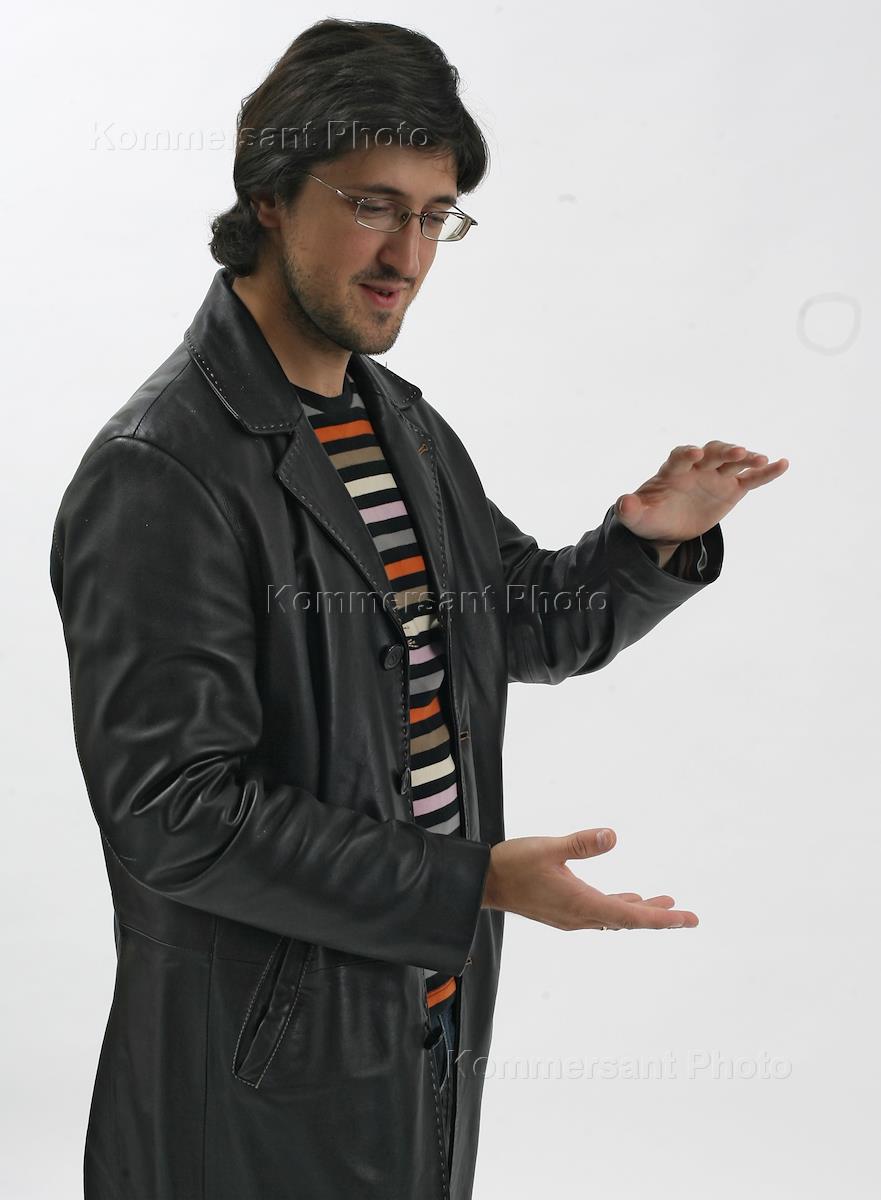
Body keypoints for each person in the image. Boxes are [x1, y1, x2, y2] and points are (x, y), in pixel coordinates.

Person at [49, 18, 789, 1200]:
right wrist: (471, 882)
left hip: (418, 1012)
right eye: (372, 205)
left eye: (435, 215)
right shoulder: (163, 471)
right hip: (252, 1070)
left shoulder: (397, 423)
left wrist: (649, 544)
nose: (406, 253)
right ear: (269, 196)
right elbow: (175, 813)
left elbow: (516, 621)